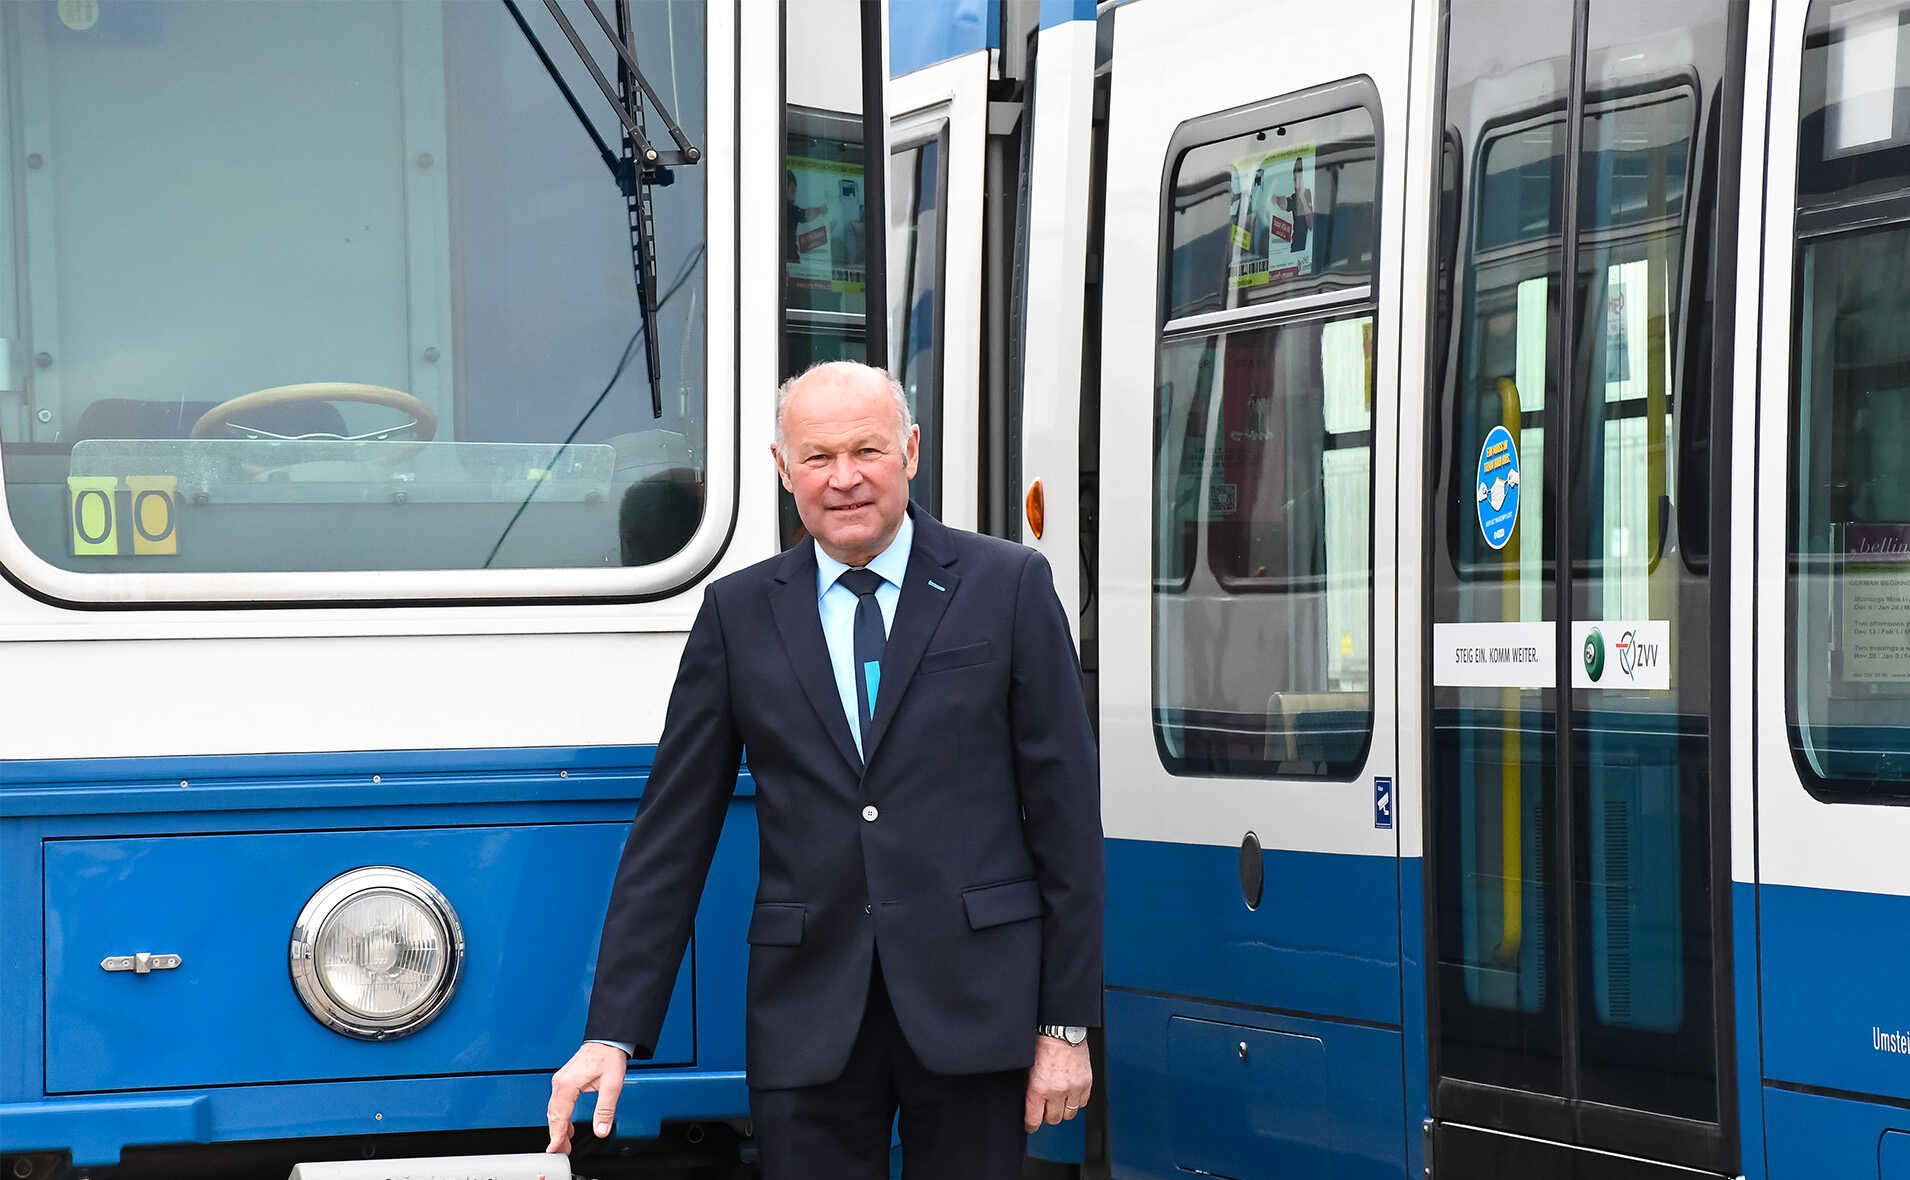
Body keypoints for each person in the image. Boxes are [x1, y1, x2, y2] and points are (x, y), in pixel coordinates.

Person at [545, 361, 1104, 1179]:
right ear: (781, 469)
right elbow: (673, 833)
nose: (844, 479)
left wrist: (1065, 1025)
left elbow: (1066, 821)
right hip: (807, 1016)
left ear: (910, 452)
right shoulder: (736, 614)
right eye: (817, 458)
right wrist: (612, 1032)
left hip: (976, 1010)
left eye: (867, 450)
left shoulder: (1008, 587)